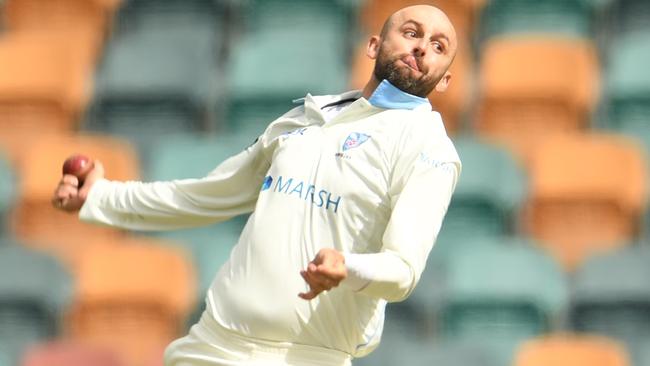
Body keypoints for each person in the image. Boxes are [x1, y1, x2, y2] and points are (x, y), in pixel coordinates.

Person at [52, 4, 461, 366]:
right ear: (373, 45)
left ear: (444, 81)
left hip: (307, 357)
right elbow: (208, 194)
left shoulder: (431, 150)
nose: (423, 47)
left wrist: (347, 266)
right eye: (411, 33)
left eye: (439, 46)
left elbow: (403, 271)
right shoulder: (305, 117)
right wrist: (101, 196)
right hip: (211, 344)